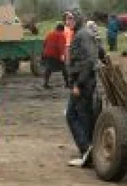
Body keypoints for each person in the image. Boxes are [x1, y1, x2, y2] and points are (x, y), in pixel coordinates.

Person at [65, 11, 99, 168]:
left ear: (78, 18)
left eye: (71, 18)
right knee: (82, 114)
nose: (68, 21)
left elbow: (90, 60)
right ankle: (88, 150)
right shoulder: (81, 33)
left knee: (75, 115)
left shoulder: (82, 35)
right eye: (66, 18)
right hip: (83, 81)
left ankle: (87, 150)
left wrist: (78, 83)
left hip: (83, 83)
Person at [41, 23, 69, 89]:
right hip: (55, 54)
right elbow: (61, 46)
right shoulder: (62, 35)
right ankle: (67, 84)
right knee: (64, 69)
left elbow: (44, 43)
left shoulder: (49, 34)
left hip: (47, 54)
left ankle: (45, 84)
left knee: (48, 69)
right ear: (62, 29)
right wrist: (62, 55)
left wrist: (44, 52)